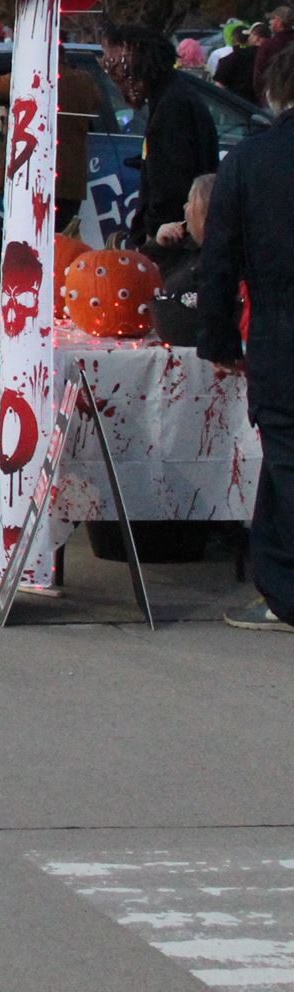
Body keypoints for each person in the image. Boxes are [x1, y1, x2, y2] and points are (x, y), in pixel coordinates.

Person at [202, 49, 294, 629]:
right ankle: (279, 582)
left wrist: (217, 340)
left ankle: (284, 589)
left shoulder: (251, 160)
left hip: (280, 341)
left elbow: (220, 259)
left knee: (285, 460)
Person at [108, 25, 219, 252]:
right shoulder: (172, 96)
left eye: (116, 60)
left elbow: (170, 178)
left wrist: (154, 230)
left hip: (172, 237)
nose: (112, 69)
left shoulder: (172, 105)